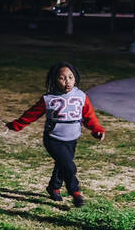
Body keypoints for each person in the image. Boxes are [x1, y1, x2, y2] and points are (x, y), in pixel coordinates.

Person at [7, 62, 105, 207]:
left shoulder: (81, 96)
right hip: (53, 138)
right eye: (62, 78)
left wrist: (97, 130)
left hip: (72, 138)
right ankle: (75, 192)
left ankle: (54, 187)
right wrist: (16, 125)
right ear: (54, 80)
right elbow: (31, 114)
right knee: (69, 166)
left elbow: (89, 116)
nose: (67, 82)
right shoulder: (49, 99)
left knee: (62, 164)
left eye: (71, 77)